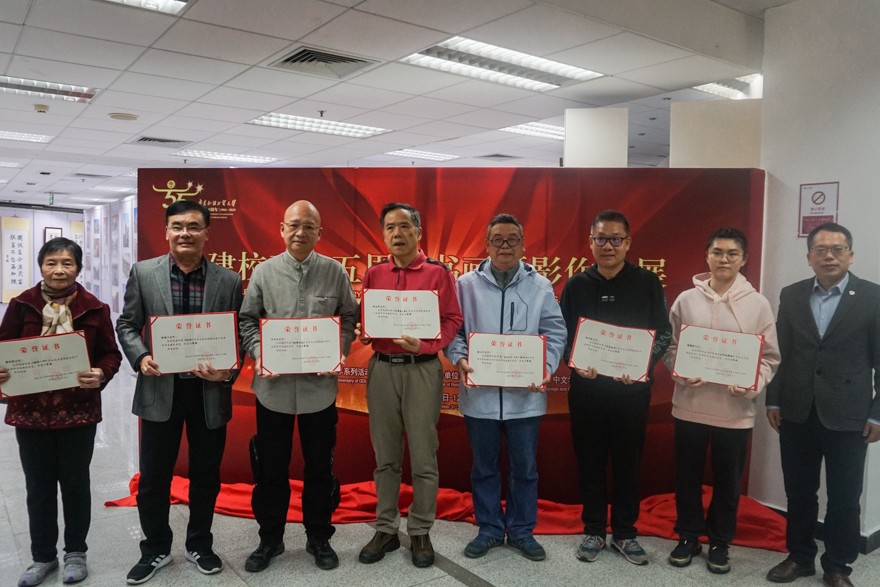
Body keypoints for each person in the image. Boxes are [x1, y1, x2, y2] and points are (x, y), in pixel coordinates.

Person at [117, 200, 243, 584]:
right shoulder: (144, 272)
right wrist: (141, 357)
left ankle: (200, 545)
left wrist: (228, 371)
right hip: (160, 389)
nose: (185, 233)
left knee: (206, 476)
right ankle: (155, 548)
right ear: (167, 231)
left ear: (206, 233)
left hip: (208, 392)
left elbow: (239, 335)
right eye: (177, 226)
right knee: (154, 478)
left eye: (193, 226)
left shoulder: (229, 280)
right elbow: (127, 324)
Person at [238, 201, 358, 572]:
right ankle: (270, 539)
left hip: (318, 391)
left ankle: (318, 536)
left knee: (320, 468)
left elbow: (349, 318)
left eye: (308, 226)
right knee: (270, 468)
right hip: (272, 392)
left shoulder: (335, 272)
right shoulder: (264, 272)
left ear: (320, 232)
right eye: (293, 225)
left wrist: (336, 350)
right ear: (281, 229)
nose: (300, 232)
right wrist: (261, 354)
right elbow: (247, 321)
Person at [0, 238, 121, 587]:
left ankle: (76, 553)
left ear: (78, 268)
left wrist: (101, 373)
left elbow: (111, 354)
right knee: (38, 487)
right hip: (30, 413)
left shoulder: (95, 309)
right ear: (41, 266)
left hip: (78, 412)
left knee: (76, 485)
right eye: (51, 262)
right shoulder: (21, 306)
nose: (59, 270)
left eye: (67, 263)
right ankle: (42, 557)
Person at [445, 213, 567, 561]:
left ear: (523, 245)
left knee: (525, 469)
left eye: (512, 239)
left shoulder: (540, 286)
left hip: (525, 397)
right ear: (486, 245)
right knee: (484, 467)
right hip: (480, 396)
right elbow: (454, 330)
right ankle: (489, 528)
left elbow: (555, 331)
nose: (505, 246)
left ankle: (522, 531)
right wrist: (459, 358)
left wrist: (545, 367)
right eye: (497, 240)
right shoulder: (464, 285)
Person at [765, 222, 880, 587]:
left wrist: (878, 414)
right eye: (821, 250)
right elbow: (781, 352)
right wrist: (773, 400)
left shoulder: (873, 297)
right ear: (809, 257)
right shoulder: (792, 294)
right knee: (799, 492)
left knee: (845, 497)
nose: (829, 256)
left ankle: (837, 566)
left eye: (837, 249)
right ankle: (799, 557)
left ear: (850, 255)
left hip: (850, 415)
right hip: (797, 410)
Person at [662, 228, 780, 574]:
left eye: (732, 254)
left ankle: (720, 541)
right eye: (717, 252)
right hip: (690, 407)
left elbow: (769, 357)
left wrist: (751, 384)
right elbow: (670, 347)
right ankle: (688, 536)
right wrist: (681, 372)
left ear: (744, 259)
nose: (724, 259)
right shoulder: (686, 300)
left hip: (735, 411)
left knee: (728, 481)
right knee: (687, 477)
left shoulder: (758, 304)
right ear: (707, 256)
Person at [559, 209, 672, 565]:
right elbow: (562, 335)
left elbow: (663, 333)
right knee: (589, 464)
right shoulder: (576, 285)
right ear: (590, 242)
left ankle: (624, 533)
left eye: (615, 239)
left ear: (628, 243)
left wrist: (641, 367)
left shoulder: (647, 282)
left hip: (631, 394)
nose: (608, 246)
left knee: (628, 466)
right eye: (601, 239)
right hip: (587, 392)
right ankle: (594, 530)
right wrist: (575, 362)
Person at [356, 202, 463, 568]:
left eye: (404, 226)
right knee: (385, 456)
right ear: (383, 234)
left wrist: (429, 345)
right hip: (383, 369)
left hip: (422, 370)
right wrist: (366, 331)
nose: (397, 234)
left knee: (423, 454)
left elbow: (453, 319)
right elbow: (367, 319)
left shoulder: (437, 273)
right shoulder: (374, 274)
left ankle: (420, 529)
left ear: (418, 232)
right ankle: (386, 528)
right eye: (390, 227)